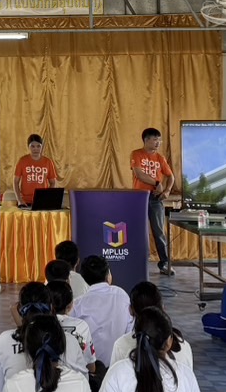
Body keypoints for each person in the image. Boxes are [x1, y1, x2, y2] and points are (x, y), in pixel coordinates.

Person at [110, 281, 191, 374]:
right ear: (163, 307)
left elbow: (113, 377)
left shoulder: (121, 346)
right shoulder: (184, 346)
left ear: (131, 310)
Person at [70, 256, 132, 369]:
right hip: (120, 364)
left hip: (89, 367)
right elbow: (130, 330)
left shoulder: (78, 304)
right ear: (108, 275)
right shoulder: (122, 295)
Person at [130, 128, 176, 276]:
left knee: (159, 232)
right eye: (155, 139)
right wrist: (157, 183)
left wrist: (167, 191)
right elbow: (139, 174)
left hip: (156, 199)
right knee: (140, 231)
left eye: (160, 140)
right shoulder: (136, 154)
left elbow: (171, 176)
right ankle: (141, 262)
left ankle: (164, 263)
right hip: (139, 198)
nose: (158, 143)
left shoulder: (160, 158)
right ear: (146, 140)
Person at [45, 280, 96, 381]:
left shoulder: (37, 326)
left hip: (46, 381)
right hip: (77, 382)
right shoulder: (81, 326)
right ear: (70, 305)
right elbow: (91, 367)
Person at [13, 134, 61, 207]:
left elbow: (53, 183)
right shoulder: (22, 161)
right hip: (25, 202)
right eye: (32, 146)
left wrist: (47, 197)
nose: (36, 149)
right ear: (28, 146)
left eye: (38, 146)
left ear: (42, 147)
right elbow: (15, 182)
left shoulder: (48, 162)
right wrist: (19, 200)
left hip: (42, 201)